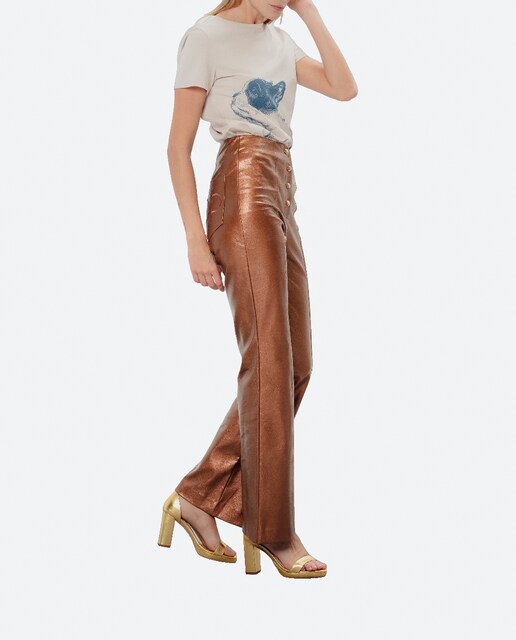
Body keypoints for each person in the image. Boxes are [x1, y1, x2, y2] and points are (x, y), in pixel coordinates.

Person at [158, 0, 358, 579]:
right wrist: (195, 240)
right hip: (241, 187)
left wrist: (309, 14)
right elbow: (177, 147)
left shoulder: (281, 42)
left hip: (282, 191)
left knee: (295, 366)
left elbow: (344, 89)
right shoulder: (205, 36)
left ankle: (198, 496)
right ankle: (273, 532)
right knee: (268, 358)